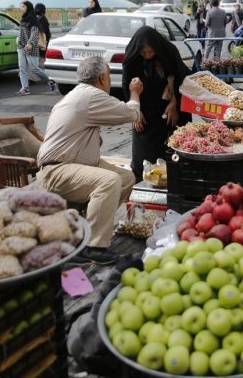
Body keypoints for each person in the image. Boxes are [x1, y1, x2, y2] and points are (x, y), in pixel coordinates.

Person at [37, 56, 144, 261]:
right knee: (109, 181)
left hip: (72, 164)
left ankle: (83, 230)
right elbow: (130, 113)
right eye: (109, 76)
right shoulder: (91, 96)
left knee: (126, 178)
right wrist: (134, 93)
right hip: (57, 170)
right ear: (103, 77)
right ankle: (93, 246)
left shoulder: (78, 95)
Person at [121, 26, 192, 180]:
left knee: (173, 145)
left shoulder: (169, 51)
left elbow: (182, 79)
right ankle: (142, 178)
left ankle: (174, 179)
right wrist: (135, 112)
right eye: (143, 53)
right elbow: (127, 85)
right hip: (144, 105)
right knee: (143, 147)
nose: (147, 56)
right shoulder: (132, 56)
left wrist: (175, 103)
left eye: (151, 52)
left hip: (170, 105)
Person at [15, 0, 54, 96]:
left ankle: (50, 81)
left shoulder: (33, 20)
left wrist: (30, 43)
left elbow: (34, 32)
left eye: (23, 6)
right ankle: (25, 88)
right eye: (21, 6)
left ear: (28, 7)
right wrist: (18, 41)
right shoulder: (22, 19)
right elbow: (21, 32)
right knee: (22, 69)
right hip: (21, 47)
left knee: (34, 68)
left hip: (31, 47)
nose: (21, 8)